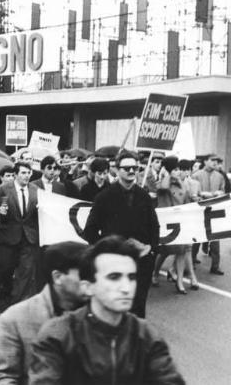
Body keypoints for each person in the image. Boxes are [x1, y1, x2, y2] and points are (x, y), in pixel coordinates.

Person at [28, 236, 185, 384]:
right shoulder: (58, 336)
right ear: (88, 287)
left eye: (131, 277)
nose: (126, 288)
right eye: (114, 277)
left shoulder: (147, 336)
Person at [0, 241, 88, 385]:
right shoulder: (14, 319)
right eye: (84, 274)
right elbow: (0, 377)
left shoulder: (102, 314)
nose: (91, 281)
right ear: (58, 277)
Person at [83, 151, 159, 318]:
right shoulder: (104, 197)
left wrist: (150, 249)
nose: (131, 171)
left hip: (141, 263)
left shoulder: (144, 196)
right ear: (117, 170)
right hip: (114, 263)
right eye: (127, 168)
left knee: (138, 309)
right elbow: (89, 231)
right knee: (114, 309)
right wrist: (109, 249)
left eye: (135, 167)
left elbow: (155, 227)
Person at [0, 162, 41, 303]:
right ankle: (3, 288)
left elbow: (39, 212)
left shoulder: (35, 189)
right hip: (8, 236)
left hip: (28, 237)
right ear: (16, 174)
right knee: (5, 267)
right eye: (23, 173)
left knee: (26, 271)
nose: (26, 176)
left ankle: (19, 301)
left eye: (28, 173)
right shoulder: (4, 189)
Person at [151, 156, 197, 293]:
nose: (179, 172)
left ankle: (179, 281)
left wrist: (178, 180)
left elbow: (185, 195)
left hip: (179, 220)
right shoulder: (162, 183)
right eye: (176, 169)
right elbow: (164, 187)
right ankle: (155, 273)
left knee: (182, 251)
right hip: (166, 221)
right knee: (164, 252)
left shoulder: (179, 184)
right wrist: (168, 174)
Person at [192, 154, 227, 275]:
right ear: (205, 161)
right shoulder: (196, 175)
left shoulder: (220, 176)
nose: (214, 163)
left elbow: (223, 191)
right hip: (200, 211)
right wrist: (203, 194)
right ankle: (190, 263)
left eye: (216, 161)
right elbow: (193, 194)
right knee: (196, 238)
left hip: (214, 211)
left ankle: (215, 266)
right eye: (212, 160)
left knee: (216, 240)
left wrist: (220, 193)